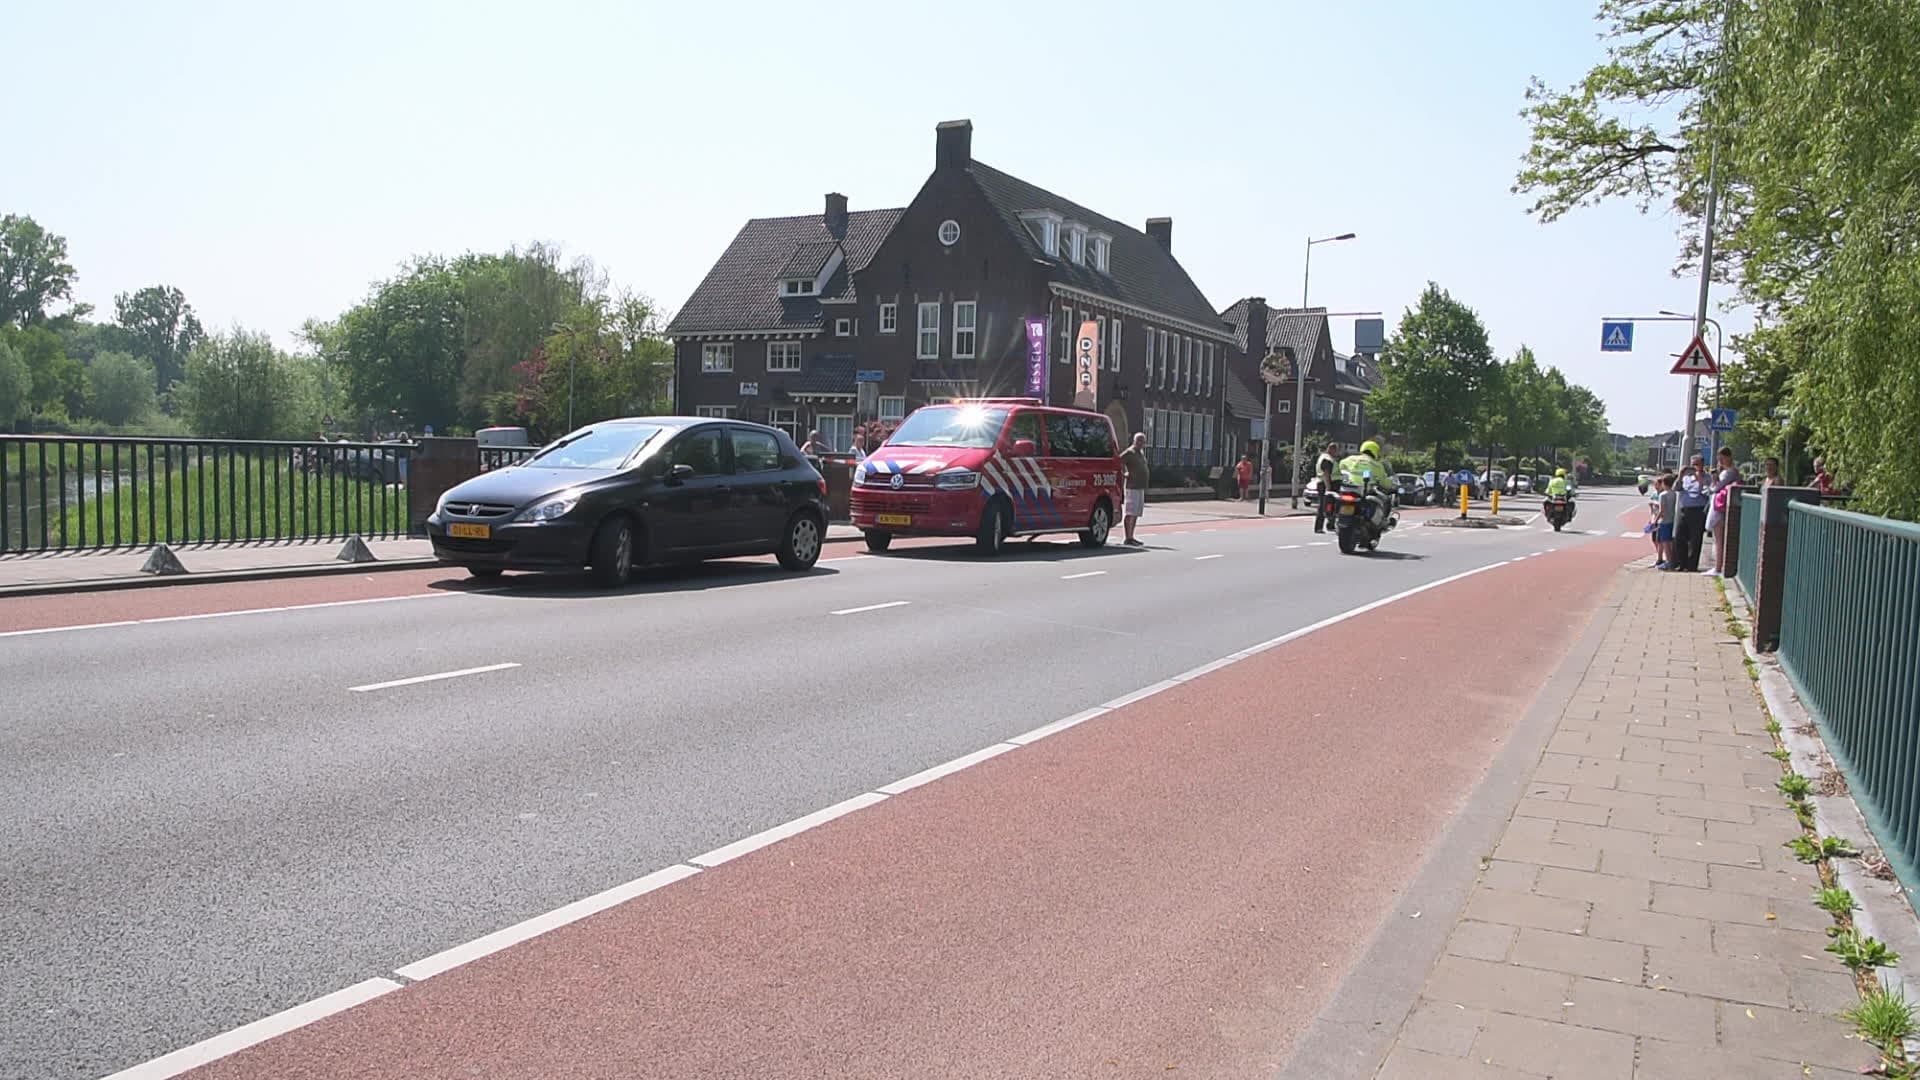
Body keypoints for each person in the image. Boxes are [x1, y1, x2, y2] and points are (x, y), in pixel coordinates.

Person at [1336, 440, 1394, 529]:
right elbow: (1384, 482)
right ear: (1375, 451)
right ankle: (1383, 522)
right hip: (1364, 491)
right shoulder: (1376, 465)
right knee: (1384, 500)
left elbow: (1340, 467)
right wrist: (1391, 485)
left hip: (1347, 488)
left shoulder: (1349, 459)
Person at [1675, 455, 1710, 571]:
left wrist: (1700, 480)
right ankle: (1682, 564)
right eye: (1692, 465)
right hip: (1684, 510)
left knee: (1695, 540)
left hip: (1698, 511)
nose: (1694, 467)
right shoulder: (1686, 478)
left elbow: (1707, 493)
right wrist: (1680, 475)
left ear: (1702, 465)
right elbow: (1676, 488)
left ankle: (1692, 566)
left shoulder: (1707, 478)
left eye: (1697, 464)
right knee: (1680, 537)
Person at [1119, 432, 1150, 546]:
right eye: (1139, 441)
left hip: (1140, 487)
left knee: (1136, 513)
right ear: (1134, 441)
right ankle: (1128, 537)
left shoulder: (1140, 453)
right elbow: (1118, 462)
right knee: (1130, 512)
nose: (1141, 443)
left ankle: (1131, 536)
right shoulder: (1130, 452)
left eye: (1143, 441)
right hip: (1132, 487)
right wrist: (1124, 473)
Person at [1313, 441, 1342, 533]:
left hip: (1328, 484)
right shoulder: (1327, 459)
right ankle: (1319, 527)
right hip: (1327, 484)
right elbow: (1326, 474)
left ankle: (1330, 525)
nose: (1338, 453)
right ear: (1332, 449)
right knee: (1323, 506)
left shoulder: (1327, 458)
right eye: (1337, 450)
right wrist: (1328, 487)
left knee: (1331, 505)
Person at [1653, 472, 1679, 569]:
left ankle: (1669, 562)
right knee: (1670, 542)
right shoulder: (1675, 494)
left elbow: (1662, 510)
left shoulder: (1663, 495)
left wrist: (1655, 520)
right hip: (1672, 520)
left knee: (1665, 542)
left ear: (1664, 483)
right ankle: (1672, 560)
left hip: (1664, 521)